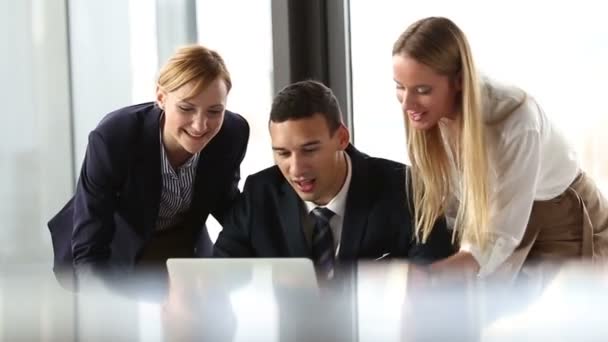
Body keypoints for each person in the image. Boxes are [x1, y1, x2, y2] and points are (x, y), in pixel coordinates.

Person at [391, 16, 608, 282]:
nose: (407, 103)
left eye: (423, 90)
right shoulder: (429, 116)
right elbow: (454, 210)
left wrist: (436, 275)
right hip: (501, 223)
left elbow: (500, 235)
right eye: (400, 87)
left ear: (458, 81)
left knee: (553, 319)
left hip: (562, 216)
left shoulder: (515, 121)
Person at [48, 44, 249, 288]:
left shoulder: (232, 133)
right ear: (161, 97)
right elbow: (92, 242)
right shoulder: (115, 137)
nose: (200, 125)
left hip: (183, 247)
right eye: (186, 108)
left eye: (215, 111)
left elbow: (226, 203)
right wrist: (98, 303)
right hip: (118, 247)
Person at [213, 80, 453, 277]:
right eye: (283, 153)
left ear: (341, 138)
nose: (296, 169)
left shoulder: (407, 188)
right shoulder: (260, 193)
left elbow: (437, 282)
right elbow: (219, 276)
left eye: (310, 150)